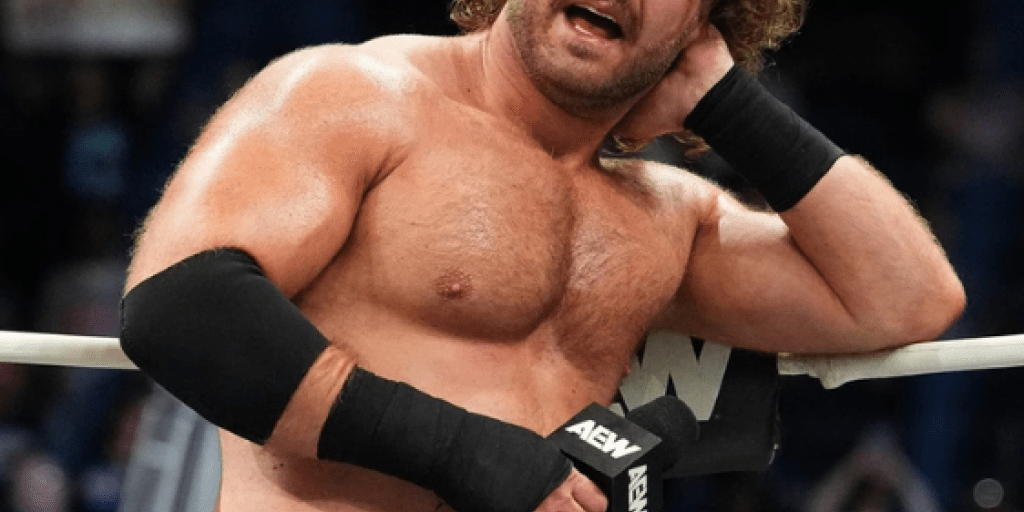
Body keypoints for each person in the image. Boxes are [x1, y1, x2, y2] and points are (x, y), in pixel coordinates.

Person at [117, 0, 967, 510]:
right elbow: (180, 309)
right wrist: (464, 453)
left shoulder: (666, 217)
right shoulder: (356, 96)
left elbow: (907, 298)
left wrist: (728, 103)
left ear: (705, 23)